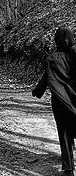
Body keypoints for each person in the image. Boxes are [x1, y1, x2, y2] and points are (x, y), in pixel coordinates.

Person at [32, 27, 76, 176]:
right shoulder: (74, 54)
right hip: (75, 99)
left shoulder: (52, 58)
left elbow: (47, 77)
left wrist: (37, 92)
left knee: (64, 133)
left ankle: (68, 168)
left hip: (60, 101)